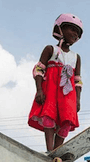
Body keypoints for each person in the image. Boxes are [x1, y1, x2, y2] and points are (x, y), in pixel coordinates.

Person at [28, 13, 83, 152]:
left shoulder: (76, 57)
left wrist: (78, 99)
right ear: (60, 29)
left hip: (68, 93)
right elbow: (39, 69)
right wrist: (39, 90)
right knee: (49, 116)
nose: (75, 34)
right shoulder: (50, 50)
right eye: (71, 29)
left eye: (78, 33)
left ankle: (58, 151)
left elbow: (78, 80)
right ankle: (50, 150)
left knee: (66, 121)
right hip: (51, 89)